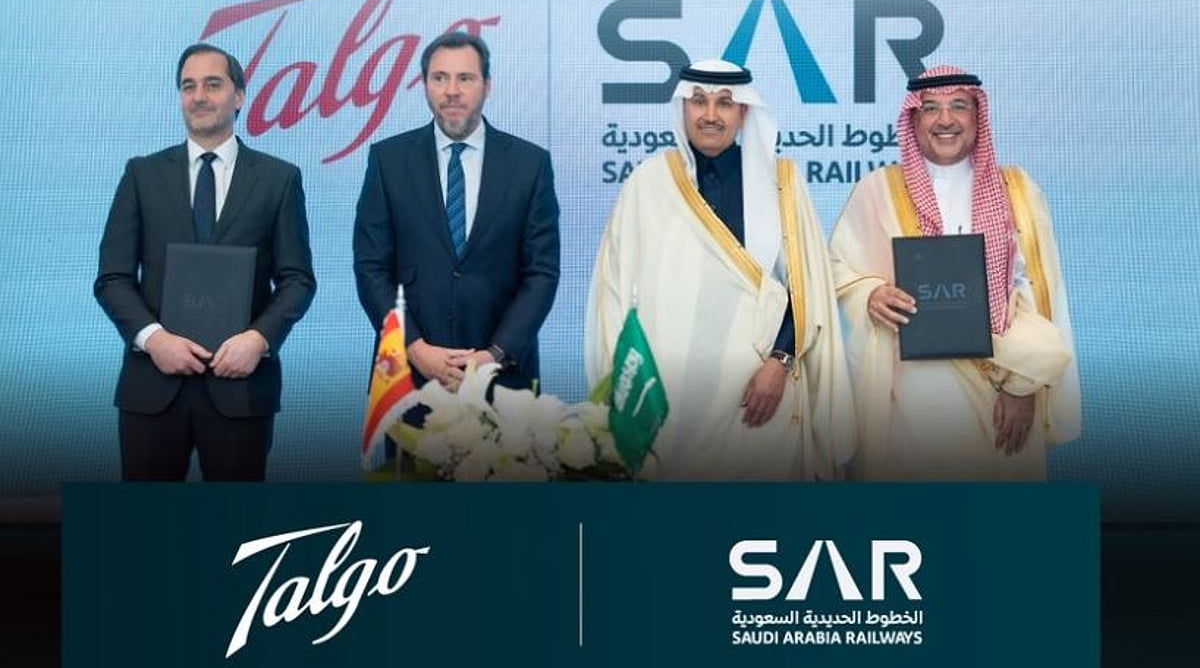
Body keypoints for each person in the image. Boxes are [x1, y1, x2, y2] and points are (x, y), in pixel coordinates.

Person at [585, 59, 856, 480]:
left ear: (744, 112)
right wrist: (626, 390)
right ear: (683, 108)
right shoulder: (647, 183)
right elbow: (615, 294)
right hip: (666, 399)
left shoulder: (781, 182)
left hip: (757, 393)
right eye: (699, 101)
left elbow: (805, 289)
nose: (710, 115)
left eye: (725, 103)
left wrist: (779, 363)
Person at [829, 65, 1081, 480]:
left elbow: (1037, 291)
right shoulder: (878, 188)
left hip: (1002, 383)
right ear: (914, 120)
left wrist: (1025, 384)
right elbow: (838, 268)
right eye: (931, 108)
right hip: (910, 392)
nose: (945, 120)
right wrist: (870, 293)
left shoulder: (1017, 189)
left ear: (978, 116)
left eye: (959, 106)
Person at [95, 43, 316, 481]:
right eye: (188, 86)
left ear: (239, 95)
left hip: (241, 389)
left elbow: (297, 280)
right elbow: (112, 278)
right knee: (145, 522)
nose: (199, 96)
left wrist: (257, 340)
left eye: (212, 85)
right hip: (152, 388)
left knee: (237, 521)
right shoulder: (141, 175)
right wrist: (154, 339)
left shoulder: (279, 178)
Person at [353, 32, 559, 393]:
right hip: (408, 378)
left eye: (465, 78)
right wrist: (415, 348)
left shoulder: (530, 165)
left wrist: (494, 355)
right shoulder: (388, 161)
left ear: (487, 85)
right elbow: (371, 268)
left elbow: (541, 273)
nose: (452, 91)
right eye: (440, 78)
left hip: (505, 380)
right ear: (424, 85)